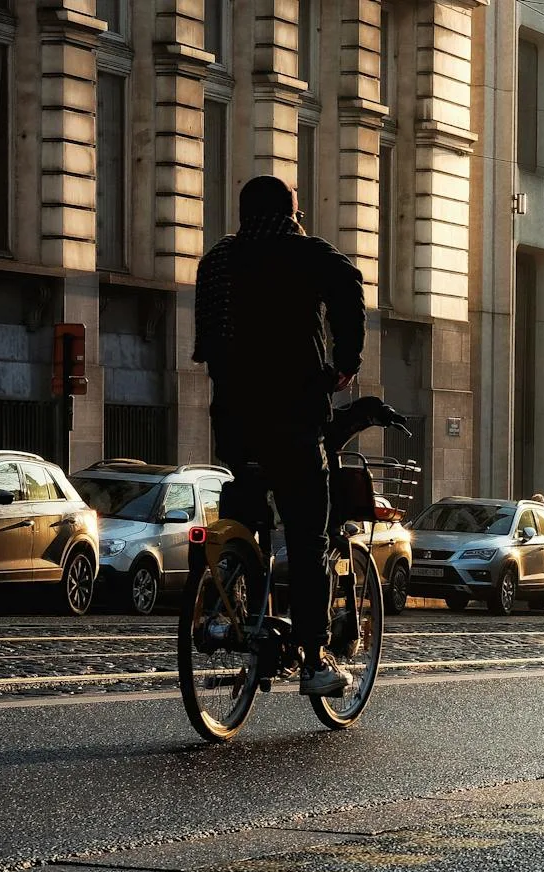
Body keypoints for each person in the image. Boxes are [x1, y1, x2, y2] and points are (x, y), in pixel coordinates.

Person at [192, 174, 365, 696]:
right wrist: (345, 362)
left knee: (244, 508)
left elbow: (208, 339)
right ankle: (314, 659)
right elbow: (350, 288)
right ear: (292, 211)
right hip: (292, 416)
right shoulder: (306, 253)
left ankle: (227, 606)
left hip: (234, 418)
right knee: (309, 533)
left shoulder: (218, 259)